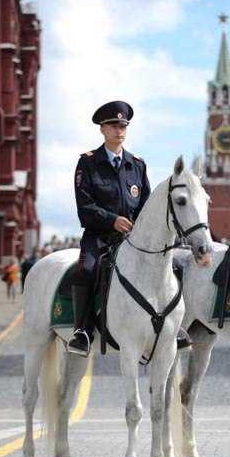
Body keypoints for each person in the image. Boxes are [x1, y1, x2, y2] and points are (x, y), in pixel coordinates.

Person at [67, 101, 152, 357]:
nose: (120, 130)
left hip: (132, 240)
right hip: (99, 238)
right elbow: (85, 207)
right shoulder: (88, 163)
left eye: (123, 125)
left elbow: (146, 205)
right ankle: (82, 331)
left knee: (168, 266)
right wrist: (111, 219)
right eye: (114, 125)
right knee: (86, 270)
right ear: (102, 129)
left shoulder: (137, 165)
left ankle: (171, 326)